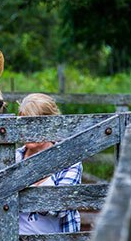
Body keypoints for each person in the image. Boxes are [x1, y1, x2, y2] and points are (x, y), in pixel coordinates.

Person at [16, 93, 83, 234]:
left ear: (52, 125)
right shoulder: (12, 158)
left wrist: (14, 186)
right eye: (24, 124)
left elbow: (59, 207)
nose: (30, 131)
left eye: (37, 125)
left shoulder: (69, 160)